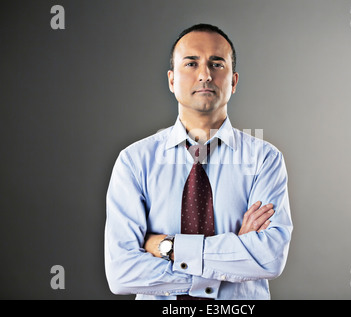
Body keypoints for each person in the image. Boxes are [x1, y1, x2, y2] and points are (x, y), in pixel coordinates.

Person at [104, 23, 293, 300]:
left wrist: (168, 247)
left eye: (217, 64)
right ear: (171, 80)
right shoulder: (134, 162)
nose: (205, 74)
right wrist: (235, 250)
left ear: (234, 81)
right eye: (191, 63)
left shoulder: (264, 159)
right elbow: (122, 273)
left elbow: (269, 258)